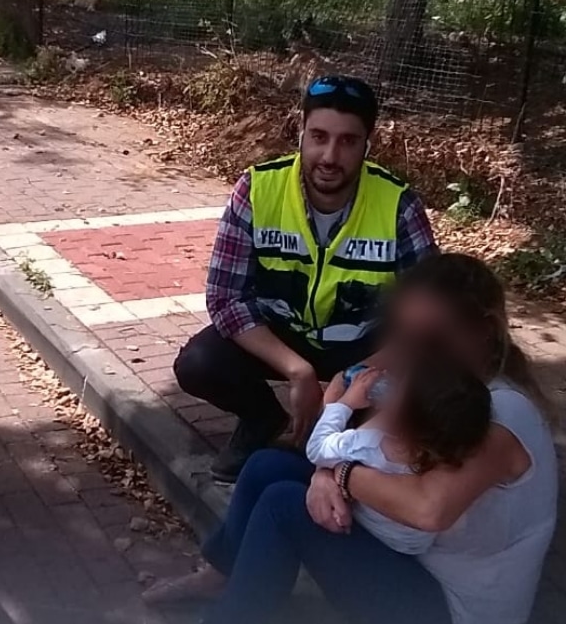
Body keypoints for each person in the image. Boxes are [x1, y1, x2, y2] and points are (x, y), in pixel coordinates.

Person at [142, 254, 559, 624]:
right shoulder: (435, 369)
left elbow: (428, 508)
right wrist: (325, 472)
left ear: (484, 331)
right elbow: (348, 383)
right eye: (405, 335)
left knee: (284, 506)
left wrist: (338, 475)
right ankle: (220, 577)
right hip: (410, 555)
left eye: (431, 340)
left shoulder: (501, 413)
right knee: (267, 465)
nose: (412, 354)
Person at [174, 75, 438, 483]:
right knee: (199, 362)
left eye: (348, 141)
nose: (329, 156)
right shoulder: (257, 188)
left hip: (364, 346)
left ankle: (353, 436)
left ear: (367, 145)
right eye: (319, 136)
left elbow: (429, 316)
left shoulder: (399, 205)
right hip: (283, 336)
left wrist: (348, 384)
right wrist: (297, 370)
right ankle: (262, 418)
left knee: (427, 387)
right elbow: (226, 298)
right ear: (301, 131)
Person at [304, 355, 492, 556]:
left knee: (284, 494)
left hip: (365, 533)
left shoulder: (367, 446)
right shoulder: (446, 457)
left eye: (399, 385)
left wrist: (346, 403)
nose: (390, 379)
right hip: (411, 547)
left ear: (396, 416)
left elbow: (316, 448)